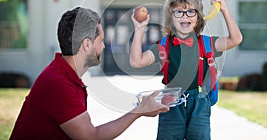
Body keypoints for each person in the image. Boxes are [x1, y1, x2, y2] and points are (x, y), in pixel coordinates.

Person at [10, 7, 170, 140]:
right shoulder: (58, 83)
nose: (104, 47)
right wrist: (139, 111)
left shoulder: (63, 75)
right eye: (100, 42)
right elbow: (90, 137)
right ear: (87, 45)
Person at [130, 0, 242, 139]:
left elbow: (235, 39)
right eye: (178, 12)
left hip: (200, 102)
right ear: (171, 18)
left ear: (198, 18)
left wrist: (225, 10)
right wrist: (139, 29)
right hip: (171, 102)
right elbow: (137, 61)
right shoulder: (164, 45)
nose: (185, 16)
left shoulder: (207, 43)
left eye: (191, 12)